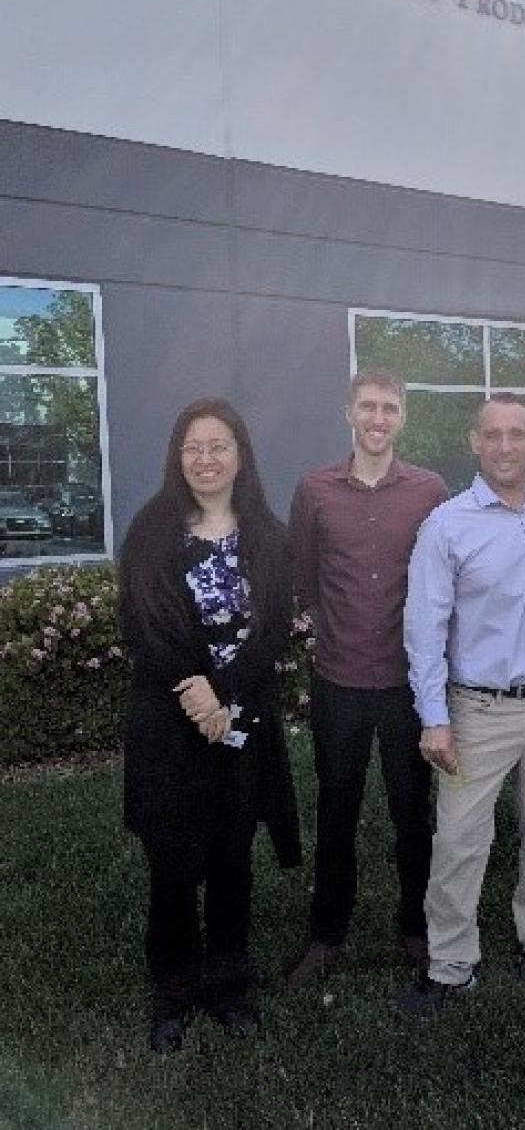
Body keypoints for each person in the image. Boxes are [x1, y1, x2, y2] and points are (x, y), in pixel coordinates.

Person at [119, 398, 300, 1054]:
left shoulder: (269, 536)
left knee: (231, 861)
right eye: (193, 446)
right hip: (169, 723)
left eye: (219, 445)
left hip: (241, 721)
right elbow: (140, 624)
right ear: (178, 456)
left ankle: (228, 984)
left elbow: (274, 626)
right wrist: (196, 691)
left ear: (240, 454)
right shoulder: (151, 530)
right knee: (171, 862)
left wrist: (223, 692)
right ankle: (172, 992)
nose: (206, 458)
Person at [400, 393, 525, 1013]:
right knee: (458, 839)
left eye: (517, 433)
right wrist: (435, 718)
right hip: (479, 710)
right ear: (475, 443)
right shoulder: (447, 525)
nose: (505, 445)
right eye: (492, 434)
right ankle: (451, 962)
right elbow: (424, 628)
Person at [285, 370, 448, 985]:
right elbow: (303, 572)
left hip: (409, 682)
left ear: (402, 417)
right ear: (348, 412)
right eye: (367, 407)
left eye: (389, 408)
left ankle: (417, 929)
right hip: (340, 680)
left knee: (413, 812)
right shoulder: (314, 490)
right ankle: (326, 937)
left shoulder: (430, 490)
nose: (378, 418)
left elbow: (444, 577)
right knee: (337, 812)